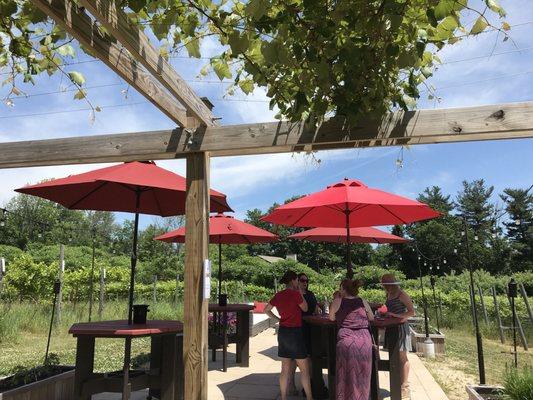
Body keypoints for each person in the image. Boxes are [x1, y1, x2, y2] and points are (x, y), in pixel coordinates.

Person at [264, 270, 313, 400]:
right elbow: (305, 308)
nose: (299, 282)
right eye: (297, 280)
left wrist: (278, 319)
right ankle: (309, 398)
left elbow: (266, 309)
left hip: (283, 332)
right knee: (304, 370)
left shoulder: (278, 295)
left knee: (284, 368)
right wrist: (299, 293)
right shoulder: (295, 294)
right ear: (293, 280)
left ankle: (284, 397)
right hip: (295, 333)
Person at [329, 279, 374, 400]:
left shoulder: (337, 301)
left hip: (347, 341)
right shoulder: (362, 301)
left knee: (345, 375)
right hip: (364, 341)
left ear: (343, 288)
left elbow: (331, 318)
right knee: (363, 375)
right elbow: (371, 317)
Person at [381, 273, 415, 398]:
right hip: (392, 327)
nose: (386, 286)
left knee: (402, 357)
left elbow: (412, 312)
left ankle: (405, 387)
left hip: (401, 328)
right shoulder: (388, 294)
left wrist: (397, 316)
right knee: (394, 356)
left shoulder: (402, 294)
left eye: (387, 284)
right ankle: (397, 384)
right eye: (384, 284)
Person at [287, 273, 321, 396]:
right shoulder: (293, 295)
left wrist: (318, 311)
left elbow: (315, 308)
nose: (305, 282)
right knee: (294, 358)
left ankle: (310, 385)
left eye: (307, 280)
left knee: (309, 356)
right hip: (297, 328)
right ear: (297, 281)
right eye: (302, 280)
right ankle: (291, 385)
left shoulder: (311, 294)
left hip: (310, 328)